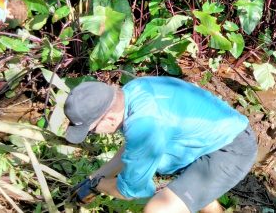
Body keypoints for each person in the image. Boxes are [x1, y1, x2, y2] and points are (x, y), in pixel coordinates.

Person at [64, 76, 258, 213]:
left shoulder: (144, 124)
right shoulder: (133, 91)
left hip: (230, 149)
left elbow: (130, 190)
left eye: (91, 130)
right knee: (192, 194)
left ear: (110, 118)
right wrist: (94, 178)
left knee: (158, 209)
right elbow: (131, 150)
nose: (92, 135)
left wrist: (97, 185)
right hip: (203, 139)